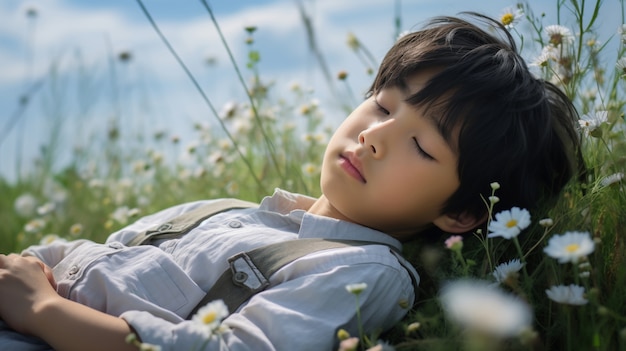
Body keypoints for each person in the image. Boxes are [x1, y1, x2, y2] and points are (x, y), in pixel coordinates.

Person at [0, 12, 582, 351]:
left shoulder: (361, 273)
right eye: (382, 106)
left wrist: (40, 311)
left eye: (422, 145)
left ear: (460, 215)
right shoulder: (229, 210)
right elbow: (98, 256)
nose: (375, 136)